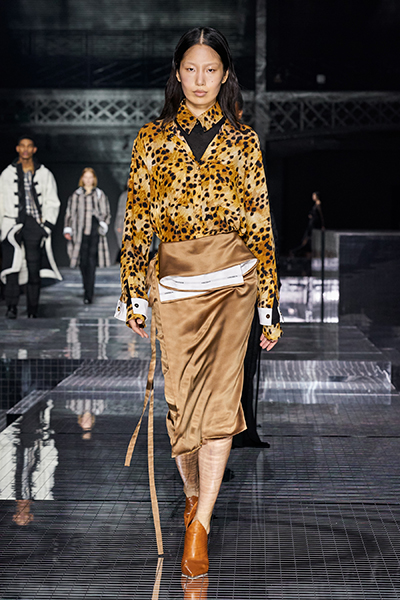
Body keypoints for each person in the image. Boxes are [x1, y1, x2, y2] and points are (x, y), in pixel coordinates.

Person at [115, 27, 282, 579]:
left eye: (211, 69)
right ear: (177, 72)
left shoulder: (243, 141)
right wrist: (133, 295)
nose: (200, 79)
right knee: (183, 409)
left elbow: (259, 222)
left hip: (234, 285)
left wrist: (269, 303)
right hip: (176, 288)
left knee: (220, 407)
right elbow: (137, 221)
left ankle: (200, 524)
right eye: (191, 69)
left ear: (225, 74)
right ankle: (192, 496)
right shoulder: (152, 140)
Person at [0, 135, 62, 319]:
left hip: (35, 224)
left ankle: (32, 309)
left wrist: (47, 226)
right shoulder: (6, 174)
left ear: (34, 150)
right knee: (12, 268)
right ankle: (11, 307)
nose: (25, 149)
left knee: (34, 269)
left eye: (29, 146)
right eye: (22, 146)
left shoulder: (44, 174)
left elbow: (52, 200)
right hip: (12, 224)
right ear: (18, 149)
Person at [63, 168, 111, 304]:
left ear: (94, 179)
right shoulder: (76, 195)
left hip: (95, 232)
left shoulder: (99, 194)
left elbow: (106, 212)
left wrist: (103, 222)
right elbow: (70, 212)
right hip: (80, 233)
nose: (88, 180)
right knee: (83, 263)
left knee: (91, 262)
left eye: (91, 177)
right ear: (82, 179)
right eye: (86, 177)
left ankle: (89, 293)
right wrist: (68, 228)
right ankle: (86, 288)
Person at [290, 190, 325, 257]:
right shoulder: (315, 204)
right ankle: (297, 251)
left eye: (314, 196)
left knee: (309, 239)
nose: (313, 197)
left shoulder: (318, 204)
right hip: (311, 223)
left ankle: (297, 251)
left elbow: (321, 215)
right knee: (306, 238)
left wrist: (322, 225)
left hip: (314, 224)